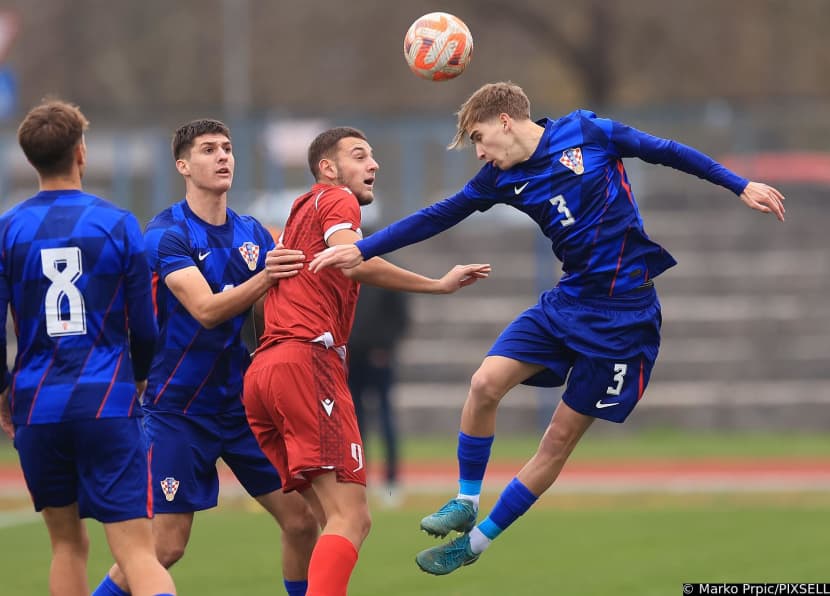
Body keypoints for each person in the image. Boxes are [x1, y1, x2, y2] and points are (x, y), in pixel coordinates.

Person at [308, 82, 787, 575]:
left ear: (505, 121)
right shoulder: (497, 178)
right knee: (484, 383)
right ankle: (466, 500)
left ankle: (474, 544)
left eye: (479, 138)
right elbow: (437, 216)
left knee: (556, 441)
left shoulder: (587, 132)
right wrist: (361, 249)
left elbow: (666, 151)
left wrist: (739, 184)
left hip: (625, 320)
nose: (479, 152)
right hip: (568, 302)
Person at [242, 126, 491, 596]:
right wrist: (436, 284)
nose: (373, 163)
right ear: (328, 168)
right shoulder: (337, 198)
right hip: (306, 361)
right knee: (352, 518)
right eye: (359, 155)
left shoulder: (300, 207)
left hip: (265, 371)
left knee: (326, 518)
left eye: (373, 155)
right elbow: (351, 258)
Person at [92, 119, 318, 596]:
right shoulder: (166, 234)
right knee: (166, 547)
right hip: (178, 410)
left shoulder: (253, 232)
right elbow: (207, 310)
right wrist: (266, 278)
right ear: (183, 165)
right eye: (209, 149)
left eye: (227, 148)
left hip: (242, 408)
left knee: (301, 521)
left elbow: (278, 303)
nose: (222, 157)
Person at [0, 100, 176, 596]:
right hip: (106, 401)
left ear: (30, 159)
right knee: (136, 552)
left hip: (38, 405)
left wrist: (3, 391)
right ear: (81, 151)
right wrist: (137, 376)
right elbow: (145, 326)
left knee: (66, 545)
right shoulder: (117, 223)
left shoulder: (7, 230)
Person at [347, 258, 410, 507]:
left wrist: (385, 347)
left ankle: (391, 481)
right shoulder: (347, 269)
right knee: (354, 421)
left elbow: (401, 316)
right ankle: (359, 477)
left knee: (385, 418)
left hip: (379, 356)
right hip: (351, 356)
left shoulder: (386, 270)